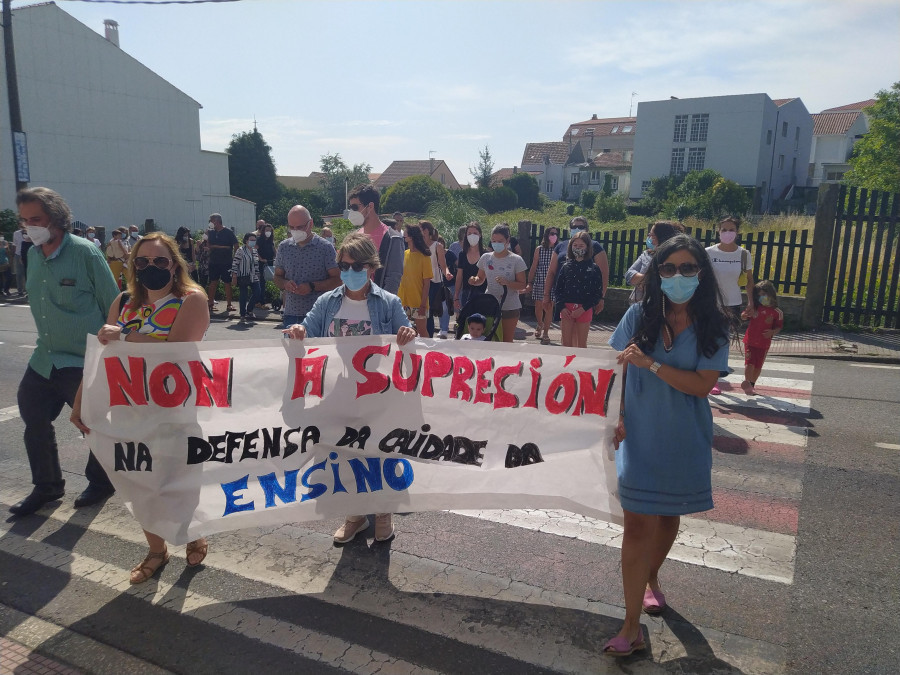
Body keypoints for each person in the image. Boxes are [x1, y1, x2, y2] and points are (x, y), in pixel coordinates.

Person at [605, 234, 730, 657]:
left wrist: (652, 363)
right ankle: (629, 624)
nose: (678, 276)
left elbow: (701, 385)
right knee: (638, 524)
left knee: (669, 516)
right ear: (658, 273)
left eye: (688, 268)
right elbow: (612, 371)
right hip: (638, 437)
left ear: (701, 272)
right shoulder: (638, 316)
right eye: (670, 268)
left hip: (684, 437)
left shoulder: (714, 324)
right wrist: (615, 418)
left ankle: (653, 578)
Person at [71, 232, 211, 584]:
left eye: (160, 261)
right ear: (133, 266)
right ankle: (155, 550)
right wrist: (80, 402)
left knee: (177, 479)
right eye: (143, 262)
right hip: (129, 410)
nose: (152, 268)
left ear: (175, 264)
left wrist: (126, 336)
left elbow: (176, 349)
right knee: (139, 482)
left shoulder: (191, 300)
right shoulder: (123, 302)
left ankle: (191, 534)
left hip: (174, 409)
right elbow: (102, 357)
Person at [283, 232, 416, 544]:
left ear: (371, 268)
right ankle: (354, 515)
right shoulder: (326, 302)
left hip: (378, 394)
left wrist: (408, 339)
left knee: (379, 453)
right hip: (337, 394)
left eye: (356, 266)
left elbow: (409, 345)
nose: (348, 271)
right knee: (344, 455)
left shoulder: (388, 303)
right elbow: (305, 336)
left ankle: (382, 513)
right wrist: (298, 333)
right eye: (343, 265)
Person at [9, 187, 119, 517]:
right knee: (34, 419)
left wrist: (107, 354)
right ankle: (47, 486)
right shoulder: (32, 254)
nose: (30, 227)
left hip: (82, 359)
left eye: (36, 219)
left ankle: (100, 483)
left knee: (94, 424)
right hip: (45, 357)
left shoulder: (85, 253)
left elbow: (112, 304)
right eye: (25, 220)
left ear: (56, 218)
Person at [706, 216, 754, 394]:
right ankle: (711, 376)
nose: (727, 233)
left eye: (731, 229)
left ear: (737, 232)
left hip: (733, 303)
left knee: (724, 340)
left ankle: (716, 375)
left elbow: (749, 280)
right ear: (718, 232)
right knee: (711, 339)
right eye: (724, 230)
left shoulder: (743, 254)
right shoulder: (709, 252)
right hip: (712, 303)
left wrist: (751, 302)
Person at [273, 205, 341, 328]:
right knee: (293, 347)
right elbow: (277, 277)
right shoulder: (284, 247)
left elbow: (338, 280)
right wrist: (285, 284)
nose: (295, 230)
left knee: (318, 348)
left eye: (299, 227)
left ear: (311, 224)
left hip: (319, 314)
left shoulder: (325, 248)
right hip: (291, 314)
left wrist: (312, 286)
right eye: (291, 227)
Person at [469, 224, 527, 343]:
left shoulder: (516, 259)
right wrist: (474, 280)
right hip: (489, 305)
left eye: (500, 241)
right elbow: (480, 278)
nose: (496, 244)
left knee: (506, 341)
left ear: (507, 241)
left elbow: (522, 284)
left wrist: (508, 283)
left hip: (509, 306)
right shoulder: (486, 257)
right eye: (494, 241)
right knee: (488, 339)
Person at [543, 216, 608, 320]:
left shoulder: (595, 246)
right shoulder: (560, 246)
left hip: (585, 301)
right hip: (564, 299)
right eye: (574, 226)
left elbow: (603, 274)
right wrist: (546, 295)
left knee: (579, 334)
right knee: (565, 334)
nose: (577, 229)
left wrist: (601, 297)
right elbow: (551, 272)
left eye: (581, 226)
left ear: (587, 229)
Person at [347, 184, 404, 294]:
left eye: (354, 207)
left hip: (377, 304)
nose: (351, 212)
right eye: (350, 208)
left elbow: (393, 279)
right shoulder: (354, 237)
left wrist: (381, 306)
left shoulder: (393, 238)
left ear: (370, 206)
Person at [554, 231, 604, 349]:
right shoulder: (566, 266)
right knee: (566, 344)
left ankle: (580, 366)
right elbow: (558, 289)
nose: (577, 248)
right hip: (567, 308)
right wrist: (562, 307)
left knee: (581, 345)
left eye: (581, 246)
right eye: (575, 245)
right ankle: (566, 367)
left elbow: (597, 293)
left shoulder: (594, 268)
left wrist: (583, 309)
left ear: (587, 247)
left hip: (584, 309)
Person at [625, 221, 685, 304]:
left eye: (652, 236)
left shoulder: (676, 258)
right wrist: (645, 279)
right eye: (649, 235)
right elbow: (629, 274)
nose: (649, 238)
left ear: (662, 237)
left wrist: (648, 282)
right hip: (638, 303)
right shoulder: (647, 254)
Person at [741, 280, 783, 395]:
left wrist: (772, 332)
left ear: (770, 294)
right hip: (750, 340)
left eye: (764, 295)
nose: (761, 298)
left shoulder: (777, 312)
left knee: (758, 366)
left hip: (764, 343)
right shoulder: (755, 308)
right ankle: (747, 383)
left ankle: (752, 384)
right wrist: (744, 316)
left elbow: (778, 327)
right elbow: (744, 316)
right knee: (749, 363)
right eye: (759, 295)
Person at [524, 226, 559, 345]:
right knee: (538, 306)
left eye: (555, 233)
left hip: (552, 282)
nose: (553, 235)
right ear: (546, 235)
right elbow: (534, 266)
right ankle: (540, 323)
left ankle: (546, 333)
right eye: (551, 233)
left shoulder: (558, 249)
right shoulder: (539, 249)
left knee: (549, 307)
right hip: (539, 281)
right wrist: (530, 281)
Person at [398, 223, 433, 337]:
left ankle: (427, 353)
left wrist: (423, 305)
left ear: (411, 236)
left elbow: (427, 283)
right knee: (405, 331)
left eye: (406, 233)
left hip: (419, 302)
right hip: (404, 301)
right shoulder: (404, 254)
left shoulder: (424, 257)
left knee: (422, 331)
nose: (404, 235)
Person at [420, 221, 454, 338]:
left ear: (427, 231)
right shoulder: (417, 246)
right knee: (422, 312)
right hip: (419, 282)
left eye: (422, 229)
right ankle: (425, 335)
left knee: (428, 311)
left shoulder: (437, 246)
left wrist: (447, 274)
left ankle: (428, 337)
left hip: (434, 282)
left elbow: (443, 266)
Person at [205, 213, 239, 313]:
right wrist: (222, 247)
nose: (210, 223)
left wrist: (235, 258)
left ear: (217, 221)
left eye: (211, 220)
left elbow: (236, 245)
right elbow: (208, 245)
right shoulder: (210, 233)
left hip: (226, 261)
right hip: (213, 261)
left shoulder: (228, 232)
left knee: (227, 283)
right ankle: (210, 304)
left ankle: (229, 304)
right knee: (213, 282)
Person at [454, 222, 486, 311]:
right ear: (466, 236)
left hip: (483, 294)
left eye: (475, 233)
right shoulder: (462, 254)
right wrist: (456, 296)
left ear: (480, 235)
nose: (472, 236)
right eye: (469, 233)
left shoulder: (486, 254)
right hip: (466, 294)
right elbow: (459, 276)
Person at [231, 232, 260, 323]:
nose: (253, 242)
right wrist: (234, 276)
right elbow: (235, 263)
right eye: (251, 240)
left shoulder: (255, 251)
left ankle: (250, 309)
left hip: (253, 275)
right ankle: (243, 314)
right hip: (243, 275)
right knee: (243, 295)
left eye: (254, 240)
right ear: (246, 240)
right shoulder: (240, 250)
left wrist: (258, 274)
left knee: (257, 292)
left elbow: (256, 264)